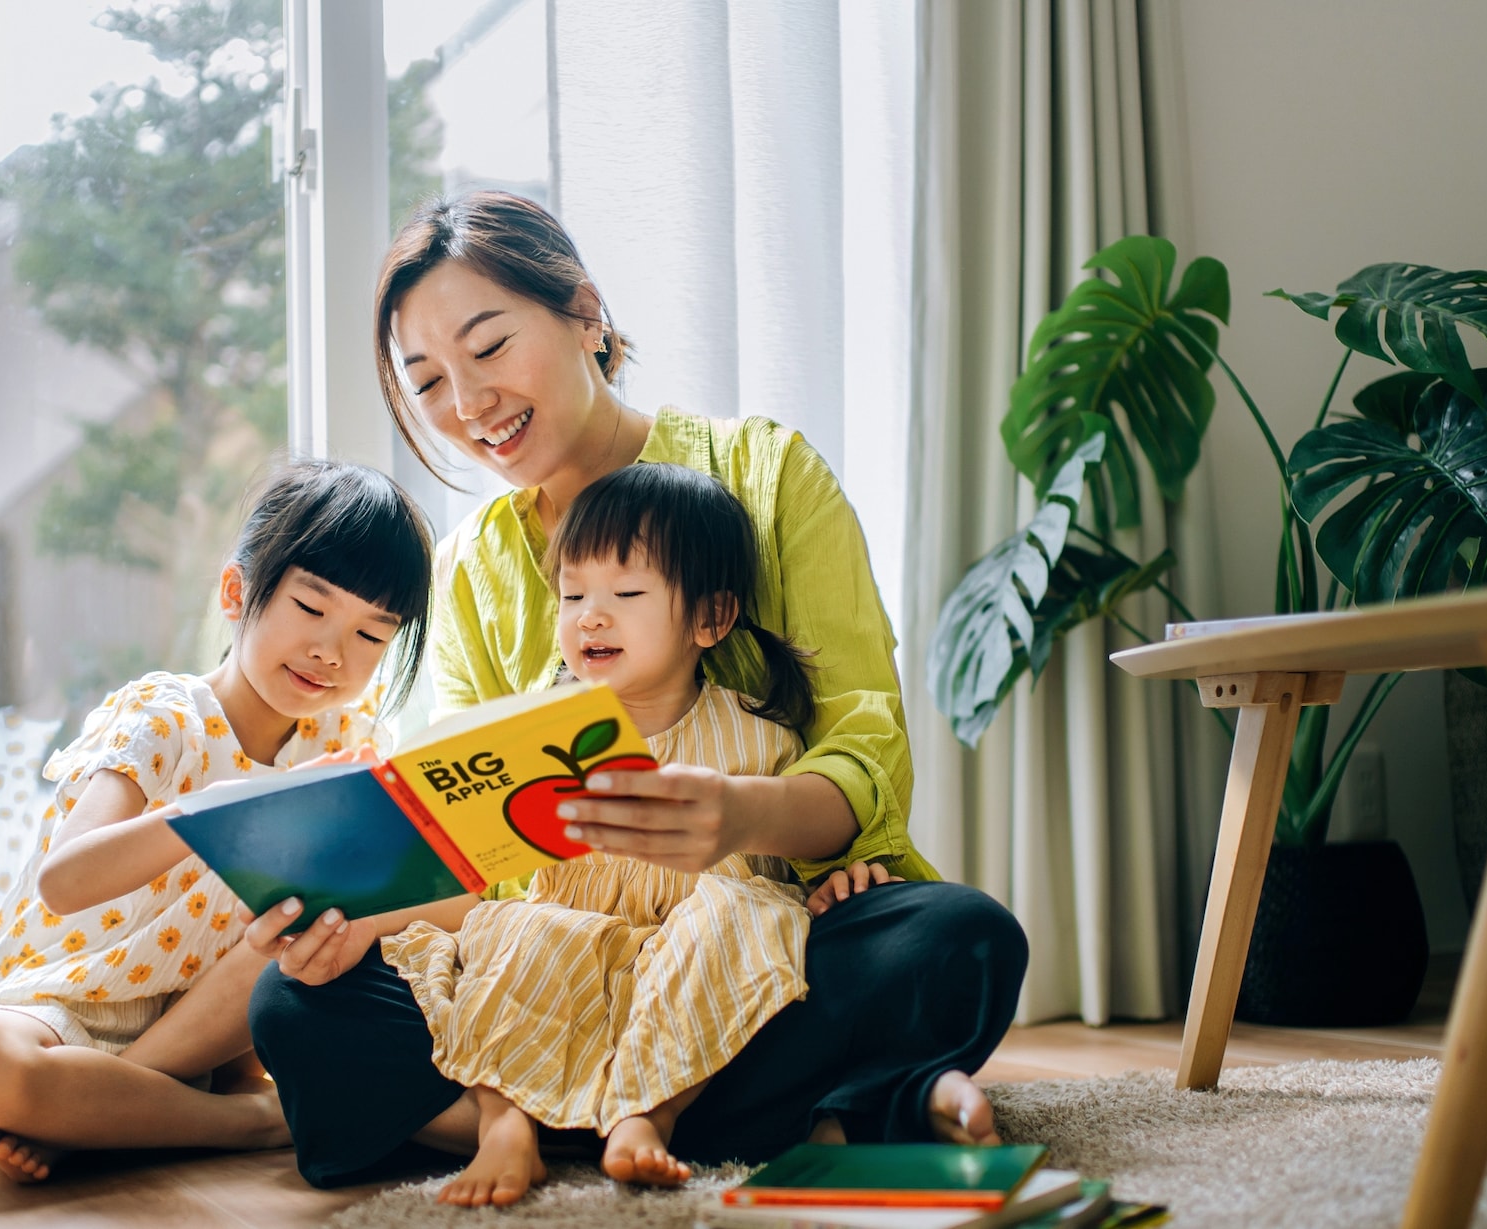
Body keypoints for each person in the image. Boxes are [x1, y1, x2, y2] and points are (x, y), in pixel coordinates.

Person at [246, 191, 1029, 1190]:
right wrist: (358, 918)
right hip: (555, 956)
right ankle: (769, 1108)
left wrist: (740, 814)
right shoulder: (475, 569)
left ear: (584, 313)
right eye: (430, 380)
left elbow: (863, 746)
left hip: (750, 936)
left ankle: (543, 1115)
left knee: (957, 939)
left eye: (488, 346)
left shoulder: (766, 473)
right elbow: (478, 852)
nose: (468, 402)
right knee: (291, 1003)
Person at [0, 460, 434, 1182]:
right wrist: (220, 812)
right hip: (66, 1001)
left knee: (296, 926)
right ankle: (240, 1123)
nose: (332, 652)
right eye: (311, 609)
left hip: (205, 1029)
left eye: (372, 635)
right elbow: (64, 881)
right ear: (236, 592)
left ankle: (106, 1112)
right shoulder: (168, 716)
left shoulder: (350, 741)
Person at [387, 463, 833, 1206]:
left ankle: (642, 1115)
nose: (590, 616)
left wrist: (840, 877)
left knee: (749, 911)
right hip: (565, 947)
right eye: (573, 594)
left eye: (625, 595)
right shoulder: (535, 730)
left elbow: (792, 879)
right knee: (516, 926)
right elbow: (483, 870)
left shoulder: (760, 738)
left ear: (710, 618)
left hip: (689, 966)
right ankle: (506, 1121)